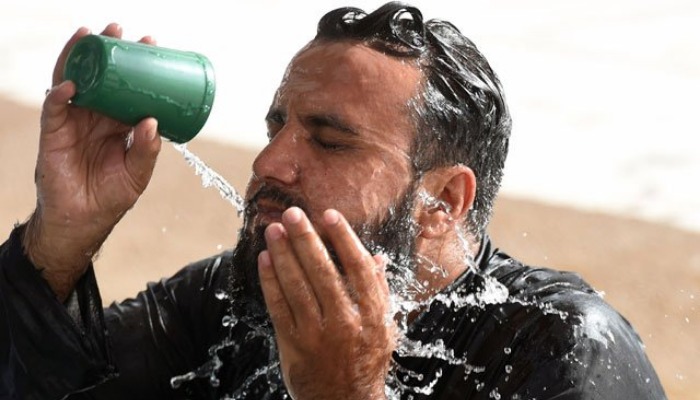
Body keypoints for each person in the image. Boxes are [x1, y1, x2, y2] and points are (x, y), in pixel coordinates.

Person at [0, 2, 667, 399]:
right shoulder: (232, 305)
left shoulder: (559, 348)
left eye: (328, 140)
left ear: (442, 200)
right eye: (276, 126)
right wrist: (58, 240)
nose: (268, 163)